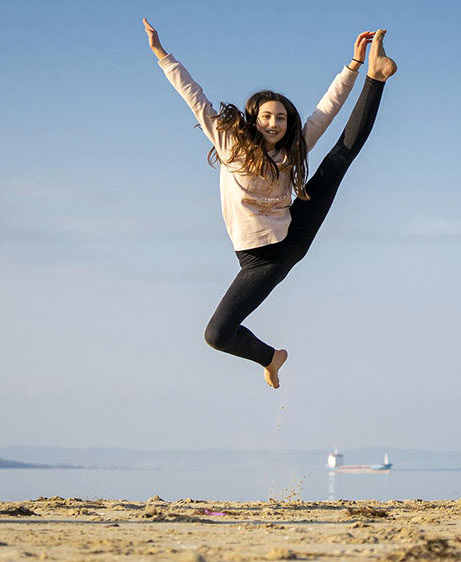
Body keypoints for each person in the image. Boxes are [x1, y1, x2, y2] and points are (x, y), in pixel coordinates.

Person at [143, 18, 396, 389]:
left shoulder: (292, 150)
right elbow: (193, 96)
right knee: (217, 335)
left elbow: (326, 110)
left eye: (280, 117)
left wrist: (354, 66)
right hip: (256, 260)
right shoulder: (228, 144)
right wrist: (162, 54)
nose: (274, 122)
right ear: (254, 119)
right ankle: (270, 357)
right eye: (267, 116)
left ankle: (378, 76)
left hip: (287, 240)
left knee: (340, 158)